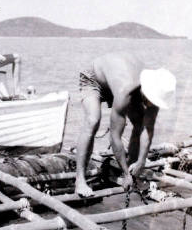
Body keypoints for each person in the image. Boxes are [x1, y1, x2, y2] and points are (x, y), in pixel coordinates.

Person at [74, 52, 176, 197]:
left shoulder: (158, 88)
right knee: (93, 120)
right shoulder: (125, 90)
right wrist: (125, 174)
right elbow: (114, 136)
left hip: (118, 80)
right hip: (94, 78)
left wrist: (141, 161)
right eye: (150, 99)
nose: (151, 104)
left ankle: (133, 169)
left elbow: (148, 129)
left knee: (140, 122)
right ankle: (80, 180)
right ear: (145, 90)